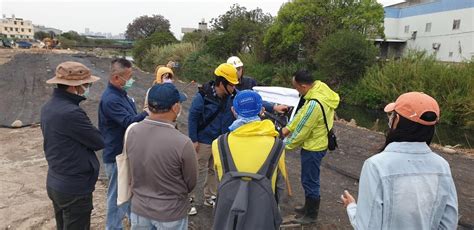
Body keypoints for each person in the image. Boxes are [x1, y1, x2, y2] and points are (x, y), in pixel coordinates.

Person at [341, 92, 458, 230]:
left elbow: (367, 226)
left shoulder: (376, 165)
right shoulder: (442, 166)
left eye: (392, 115)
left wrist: (352, 207)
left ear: (396, 121)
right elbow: (448, 224)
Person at [41, 61, 104, 229]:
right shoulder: (71, 113)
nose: (88, 87)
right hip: (74, 187)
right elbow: (98, 141)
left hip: (56, 180)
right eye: (87, 84)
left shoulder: (49, 107)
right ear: (74, 87)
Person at [127, 83, 197, 230]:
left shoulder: (132, 132)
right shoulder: (183, 143)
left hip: (140, 209)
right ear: (175, 107)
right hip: (171, 213)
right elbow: (191, 183)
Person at [281, 69, 340, 224]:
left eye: (296, 87)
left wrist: (284, 145)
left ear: (303, 86)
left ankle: (311, 215)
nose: (296, 90)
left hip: (314, 146)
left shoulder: (314, 104)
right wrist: (287, 128)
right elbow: (301, 114)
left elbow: (302, 129)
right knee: (309, 177)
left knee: (310, 179)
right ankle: (308, 207)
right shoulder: (319, 89)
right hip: (320, 142)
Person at [99, 58, 148, 229]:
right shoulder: (111, 99)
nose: (132, 80)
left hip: (126, 151)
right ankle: (112, 227)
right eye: (129, 77)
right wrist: (147, 113)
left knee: (127, 191)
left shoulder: (122, 94)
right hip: (116, 154)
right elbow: (129, 121)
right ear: (117, 78)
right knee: (117, 194)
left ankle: (130, 219)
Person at [187, 63, 239, 215]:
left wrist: (272, 107)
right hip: (203, 140)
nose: (234, 88)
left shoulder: (233, 96)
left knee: (214, 169)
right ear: (221, 83)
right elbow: (193, 117)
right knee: (197, 170)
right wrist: (193, 139)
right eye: (231, 84)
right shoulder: (203, 96)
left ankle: (209, 196)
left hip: (220, 140)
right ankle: (189, 199)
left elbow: (250, 99)